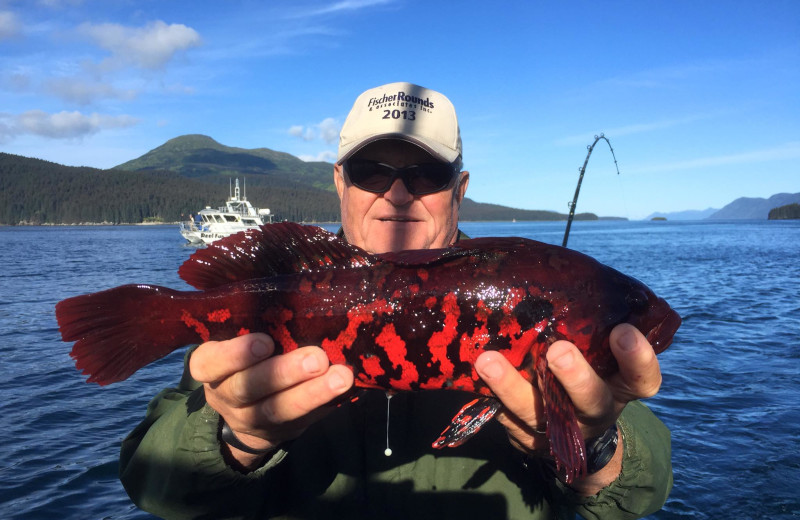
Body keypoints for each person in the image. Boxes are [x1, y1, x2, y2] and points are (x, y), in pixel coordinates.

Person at [120, 82, 672, 519]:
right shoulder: (275, 300)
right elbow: (151, 485)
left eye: (426, 174)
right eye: (371, 172)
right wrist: (236, 437)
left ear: (459, 189)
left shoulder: (521, 296)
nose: (398, 194)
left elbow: (642, 494)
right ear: (340, 182)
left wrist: (594, 443)